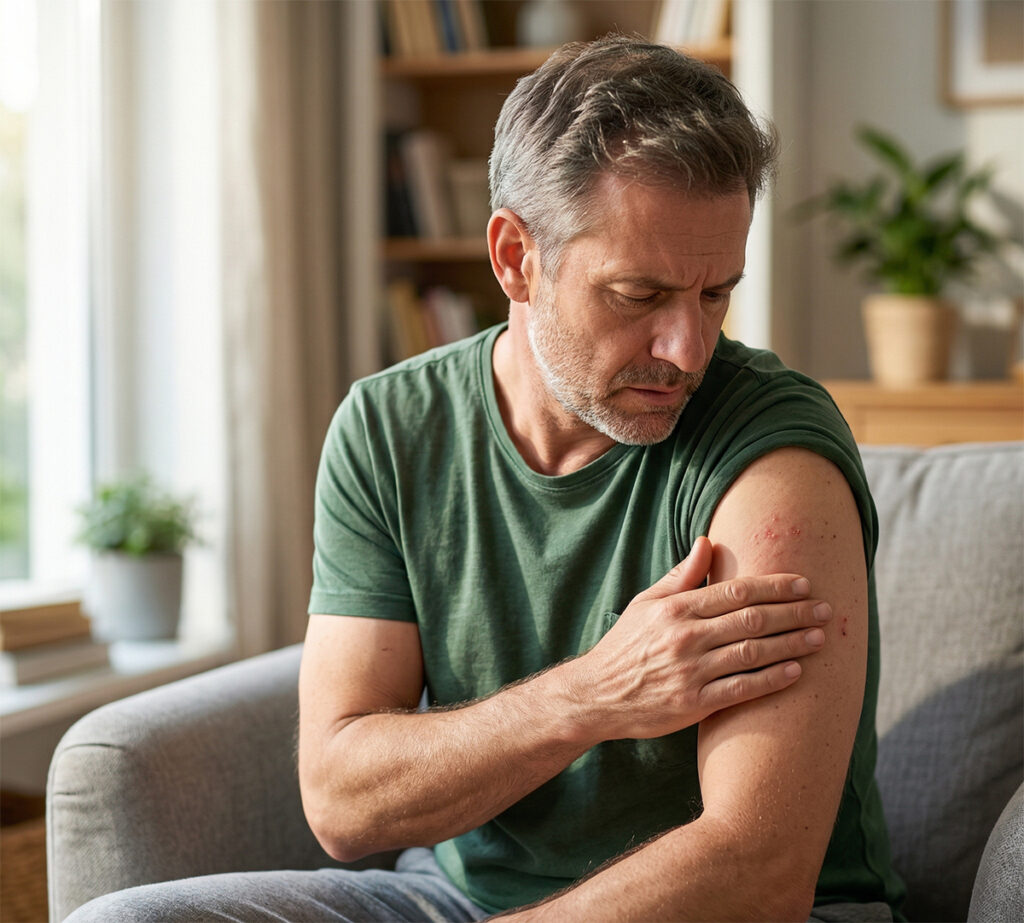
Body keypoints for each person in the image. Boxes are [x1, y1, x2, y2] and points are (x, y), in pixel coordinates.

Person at [67, 35, 905, 923]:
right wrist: (594, 692)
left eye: (715, 294)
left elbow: (757, 869)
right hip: (453, 900)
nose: (687, 348)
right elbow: (342, 803)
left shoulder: (774, 455)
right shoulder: (390, 428)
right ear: (514, 257)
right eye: (640, 295)